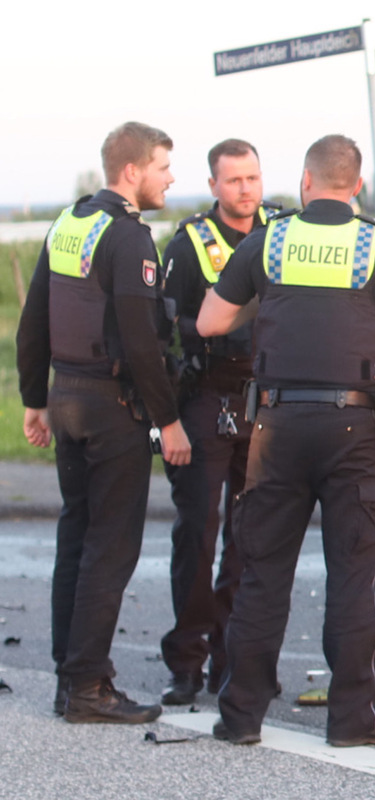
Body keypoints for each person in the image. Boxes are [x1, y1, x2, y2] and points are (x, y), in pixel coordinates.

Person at [196, 134, 375, 746]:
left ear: (306, 183)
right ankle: (352, 720)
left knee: (262, 574)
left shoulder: (269, 240)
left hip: (275, 428)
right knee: (353, 575)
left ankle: (240, 717)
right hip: (353, 432)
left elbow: (210, 322)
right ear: (356, 187)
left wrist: (269, 299)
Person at [16, 121, 192, 723]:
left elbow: (33, 315)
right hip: (111, 406)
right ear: (132, 171)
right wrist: (169, 420)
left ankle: (72, 678)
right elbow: (143, 343)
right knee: (109, 550)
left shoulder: (69, 224)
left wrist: (33, 399)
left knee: (76, 539)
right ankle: (89, 687)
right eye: (164, 167)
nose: (171, 178)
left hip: (66, 398)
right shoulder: (128, 238)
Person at [159, 139, 272, 705]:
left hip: (262, 403)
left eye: (252, 178)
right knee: (197, 534)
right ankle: (187, 661)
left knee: (249, 537)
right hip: (205, 399)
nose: (245, 190)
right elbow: (165, 332)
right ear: (213, 187)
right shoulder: (189, 244)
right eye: (233, 181)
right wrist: (166, 421)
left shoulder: (280, 236)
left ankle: (234, 657)